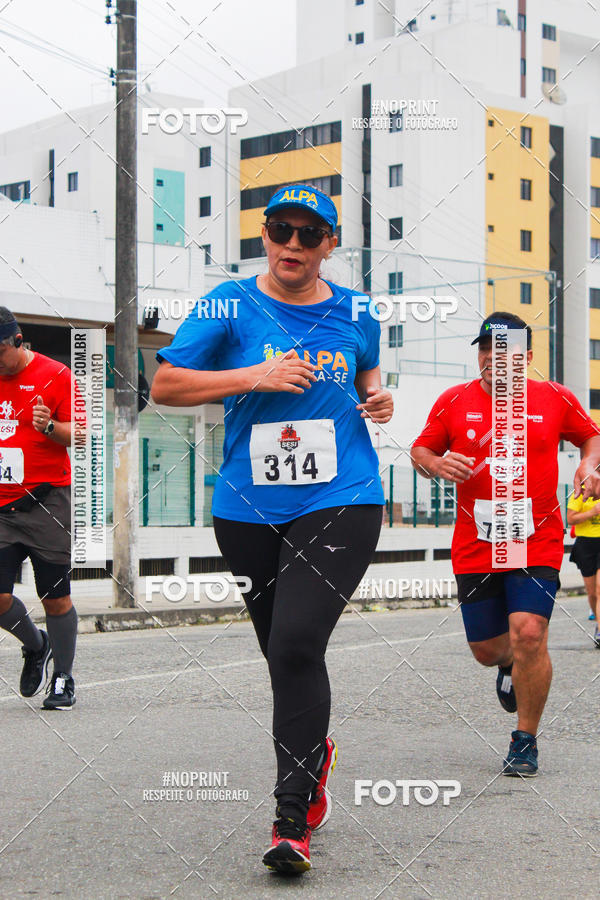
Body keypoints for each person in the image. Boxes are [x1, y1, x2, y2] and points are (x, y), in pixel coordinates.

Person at [151, 183, 393, 873]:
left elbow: (368, 367)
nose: (293, 244)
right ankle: (316, 753)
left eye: (308, 235)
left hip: (342, 496)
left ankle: (291, 818)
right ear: (265, 235)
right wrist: (253, 375)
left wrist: (377, 396)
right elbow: (165, 385)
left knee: (293, 645)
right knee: (283, 656)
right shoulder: (228, 305)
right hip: (249, 507)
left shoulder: (357, 310)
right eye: (281, 230)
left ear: (329, 245)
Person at [411, 311, 600, 777]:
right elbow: (421, 450)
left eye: (506, 351)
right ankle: (509, 663)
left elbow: (591, 438)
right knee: (488, 649)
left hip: (536, 538)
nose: (495, 359)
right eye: (486, 350)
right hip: (476, 542)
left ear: (527, 357)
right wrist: (435, 465)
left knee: (530, 632)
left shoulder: (555, 398)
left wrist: (590, 467)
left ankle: (525, 738)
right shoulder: (453, 401)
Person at [0, 308, 78, 709]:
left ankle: (63, 677)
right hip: (1, 510)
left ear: (18, 340)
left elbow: (80, 434)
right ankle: (36, 644)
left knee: (55, 598)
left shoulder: (56, 375)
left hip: (46, 502)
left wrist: (49, 426)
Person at [567, 495, 600, 645]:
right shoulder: (582, 491)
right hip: (586, 544)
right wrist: (592, 512)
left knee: (599, 589)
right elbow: (571, 519)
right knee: (592, 592)